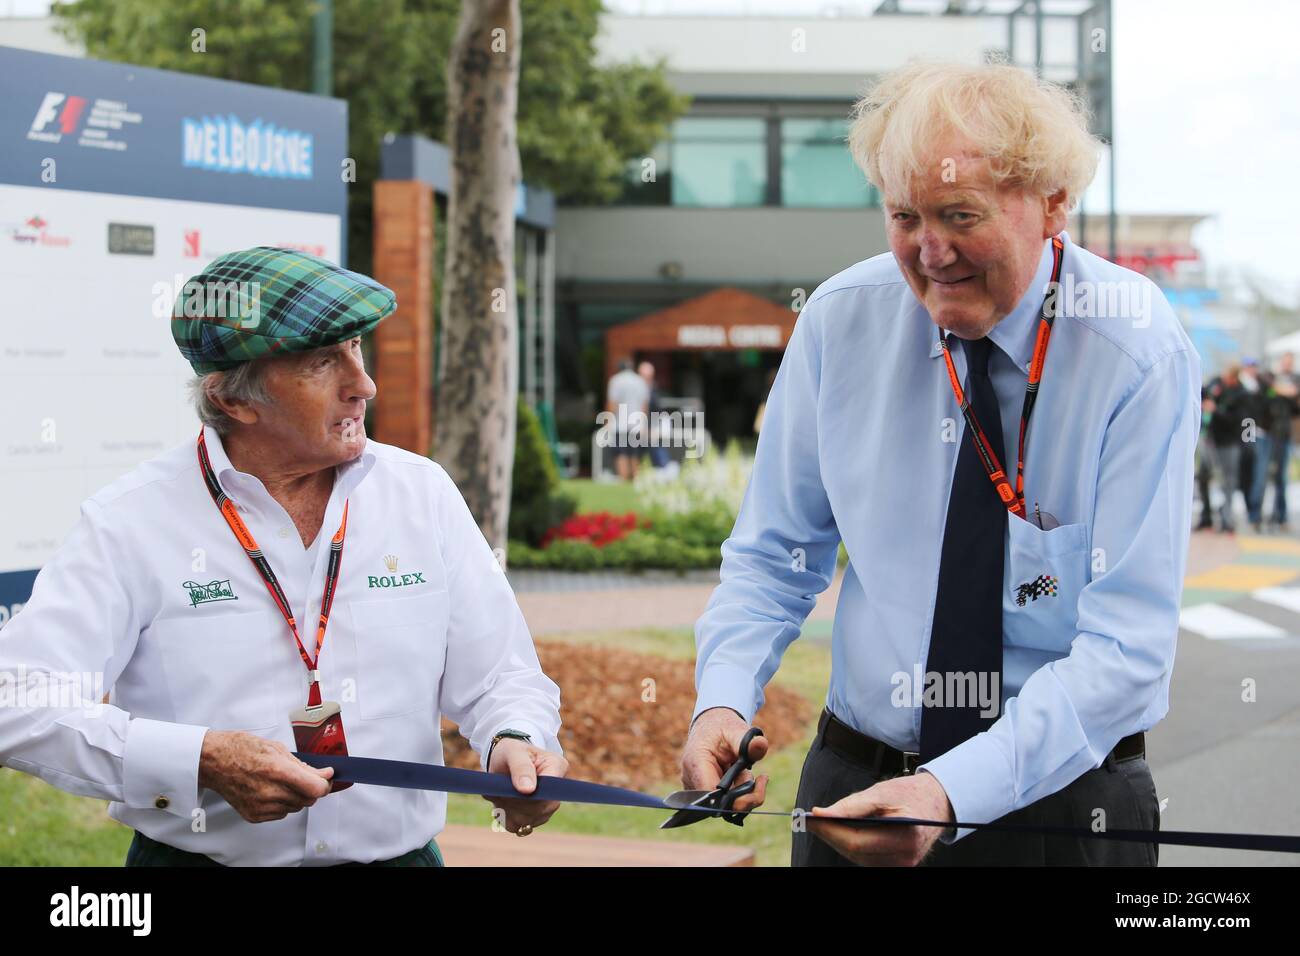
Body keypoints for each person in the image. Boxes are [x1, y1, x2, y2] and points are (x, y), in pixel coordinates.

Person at [679, 61, 1197, 867]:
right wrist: (722, 699)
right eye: (904, 216)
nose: (930, 251)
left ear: (1054, 203)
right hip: (857, 780)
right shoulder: (839, 322)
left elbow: (1126, 651)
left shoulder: (1136, 349)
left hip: (1061, 805)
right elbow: (773, 557)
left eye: (961, 215)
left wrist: (950, 792)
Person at [0, 246, 566, 866]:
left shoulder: (420, 493)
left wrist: (516, 737)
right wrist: (199, 760)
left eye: (356, 348)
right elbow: (18, 700)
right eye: (322, 363)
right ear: (233, 401)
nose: (364, 385)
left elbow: (501, 674)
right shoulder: (131, 521)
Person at [1204, 364, 1248, 533]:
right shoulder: (1217, 385)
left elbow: (1236, 420)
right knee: (1204, 476)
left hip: (1229, 443)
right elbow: (1204, 392)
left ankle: (1227, 520)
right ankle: (1206, 517)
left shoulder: (1241, 394)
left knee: (1228, 481)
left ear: (1234, 378)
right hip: (1211, 440)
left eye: (1227, 376)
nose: (1224, 378)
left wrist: (1215, 410)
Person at [1239, 358, 1273, 533]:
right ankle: (1251, 511)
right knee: (1247, 475)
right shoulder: (1241, 386)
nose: (1252, 369)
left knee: (1260, 476)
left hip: (1261, 434)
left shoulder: (1261, 386)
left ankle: (1255, 514)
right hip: (1246, 435)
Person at [1266, 352, 1299, 530]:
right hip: (1268, 433)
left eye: (1289, 362)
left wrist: (1283, 390)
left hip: (1284, 434)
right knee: (1266, 475)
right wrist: (1280, 389)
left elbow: (1294, 397)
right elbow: (1269, 392)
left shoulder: (1295, 379)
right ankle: (1268, 514)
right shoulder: (1271, 377)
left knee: (1281, 477)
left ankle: (1281, 515)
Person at [605, 359, 650, 481]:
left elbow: (612, 404)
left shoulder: (615, 381)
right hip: (637, 424)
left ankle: (623, 478)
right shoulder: (640, 381)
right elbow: (644, 405)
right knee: (635, 453)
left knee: (621, 453)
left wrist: (608, 421)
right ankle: (635, 479)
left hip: (620, 424)